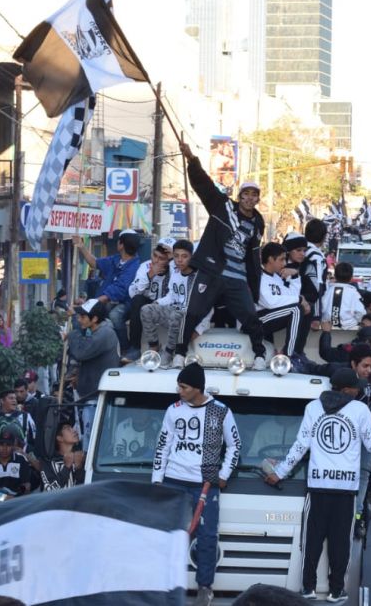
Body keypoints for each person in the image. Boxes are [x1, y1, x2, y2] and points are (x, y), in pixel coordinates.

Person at [264, 368, 371, 603]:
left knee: (311, 541)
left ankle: (307, 588)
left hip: (317, 486)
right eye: (355, 388)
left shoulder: (313, 408)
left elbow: (300, 446)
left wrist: (279, 473)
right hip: (346, 489)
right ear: (346, 390)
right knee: (341, 543)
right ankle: (336, 591)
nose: (358, 391)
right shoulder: (360, 410)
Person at [174, 142, 268, 372]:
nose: (249, 198)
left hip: (237, 278)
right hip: (211, 271)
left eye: (254, 195)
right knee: (193, 312)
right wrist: (192, 159)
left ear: (257, 199)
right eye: (245, 194)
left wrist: (254, 288)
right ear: (240, 196)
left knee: (250, 316)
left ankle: (260, 355)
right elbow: (204, 185)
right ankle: (179, 353)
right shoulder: (222, 207)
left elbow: (253, 258)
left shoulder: (258, 223)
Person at [154, 362, 242, 606]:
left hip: (205, 484)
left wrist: (224, 475)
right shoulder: (173, 410)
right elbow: (163, 444)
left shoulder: (221, 411)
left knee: (207, 536)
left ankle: (204, 588)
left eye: (183, 387)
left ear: (197, 388)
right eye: (179, 386)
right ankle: (165, 584)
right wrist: (157, 479)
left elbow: (235, 445)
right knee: (169, 535)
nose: (179, 391)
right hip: (173, 481)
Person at [73, 229, 141, 354]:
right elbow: (94, 263)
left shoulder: (135, 267)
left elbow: (118, 290)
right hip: (106, 300)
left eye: (118, 241)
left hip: (125, 303)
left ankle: (125, 348)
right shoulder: (115, 259)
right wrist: (81, 246)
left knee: (115, 316)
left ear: (121, 244)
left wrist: (92, 303)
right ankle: (80, 350)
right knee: (83, 315)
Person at [139, 239, 202, 364]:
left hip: (190, 317)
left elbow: (208, 306)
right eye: (176, 256)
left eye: (184, 256)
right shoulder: (176, 273)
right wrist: (157, 303)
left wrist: (200, 329)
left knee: (176, 314)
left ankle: (169, 352)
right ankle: (154, 346)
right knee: (146, 310)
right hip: (175, 310)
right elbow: (171, 296)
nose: (179, 260)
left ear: (192, 257)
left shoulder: (199, 276)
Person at [66, 298, 119, 439]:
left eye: (82, 317)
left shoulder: (104, 334)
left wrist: (71, 335)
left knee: (92, 439)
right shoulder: (96, 332)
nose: (79, 319)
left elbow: (80, 352)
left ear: (94, 319)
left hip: (97, 400)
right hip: (90, 397)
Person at [120, 239, 173, 363]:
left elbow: (174, 295)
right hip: (146, 304)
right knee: (137, 300)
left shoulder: (175, 270)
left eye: (162, 258)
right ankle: (135, 348)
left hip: (167, 306)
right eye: (155, 255)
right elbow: (133, 292)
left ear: (169, 260)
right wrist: (150, 274)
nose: (156, 261)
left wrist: (158, 303)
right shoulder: (145, 266)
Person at [255, 242, 307, 356]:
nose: (284, 263)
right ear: (270, 259)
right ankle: (288, 355)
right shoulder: (258, 277)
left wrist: (295, 276)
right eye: (281, 259)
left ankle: (295, 352)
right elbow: (269, 302)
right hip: (256, 320)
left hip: (268, 316)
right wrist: (298, 299)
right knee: (296, 309)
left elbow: (291, 296)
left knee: (299, 308)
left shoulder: (276, 277)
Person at [40, 422, 85, 491]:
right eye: (68, 429)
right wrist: (66, 468)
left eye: (72, 428)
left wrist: (79, 468)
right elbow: (51, 491)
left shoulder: (82, 456)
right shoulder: (48, 463)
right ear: (59, 438)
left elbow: (87, 487)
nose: (74, 430)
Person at [321, 262, 367, 330]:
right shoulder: (353, 293)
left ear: (335, 276)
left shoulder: (328, 291)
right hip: (348, 329)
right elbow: (361, 312)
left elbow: (322, 308)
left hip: (327, 327)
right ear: (351, 277)